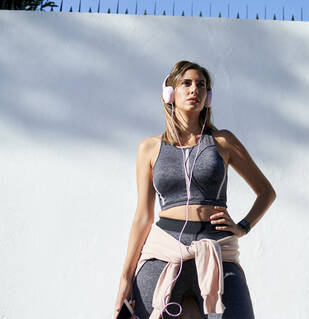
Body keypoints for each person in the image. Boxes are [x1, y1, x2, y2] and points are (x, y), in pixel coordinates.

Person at [113, 60, 276, 319]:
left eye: (201, 85)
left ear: (208, 97)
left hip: (217, 250)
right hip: (164, 251)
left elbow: (266, 192)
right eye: (186, 83)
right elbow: (143, 215)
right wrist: (125, 276)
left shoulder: (224, 141)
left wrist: (242, 226)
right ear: (170, 94)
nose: (194, 90)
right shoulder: (149, 148)